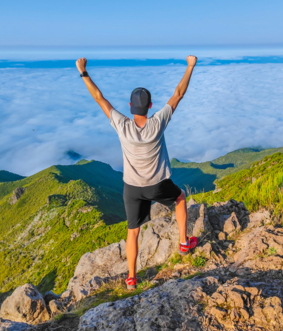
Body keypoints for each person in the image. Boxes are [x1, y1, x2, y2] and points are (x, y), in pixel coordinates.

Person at [76, 55, 199, 289]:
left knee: (132, 232)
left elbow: (99, 98)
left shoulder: (122, 125)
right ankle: (184, 244)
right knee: (180, 198)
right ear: (150, 106)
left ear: (130, 107)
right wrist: (190, 66)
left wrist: (83, 72)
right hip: (158, 183)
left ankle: (131, 278)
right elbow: (178, 94)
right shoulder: (158, 123)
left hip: (132, 188)